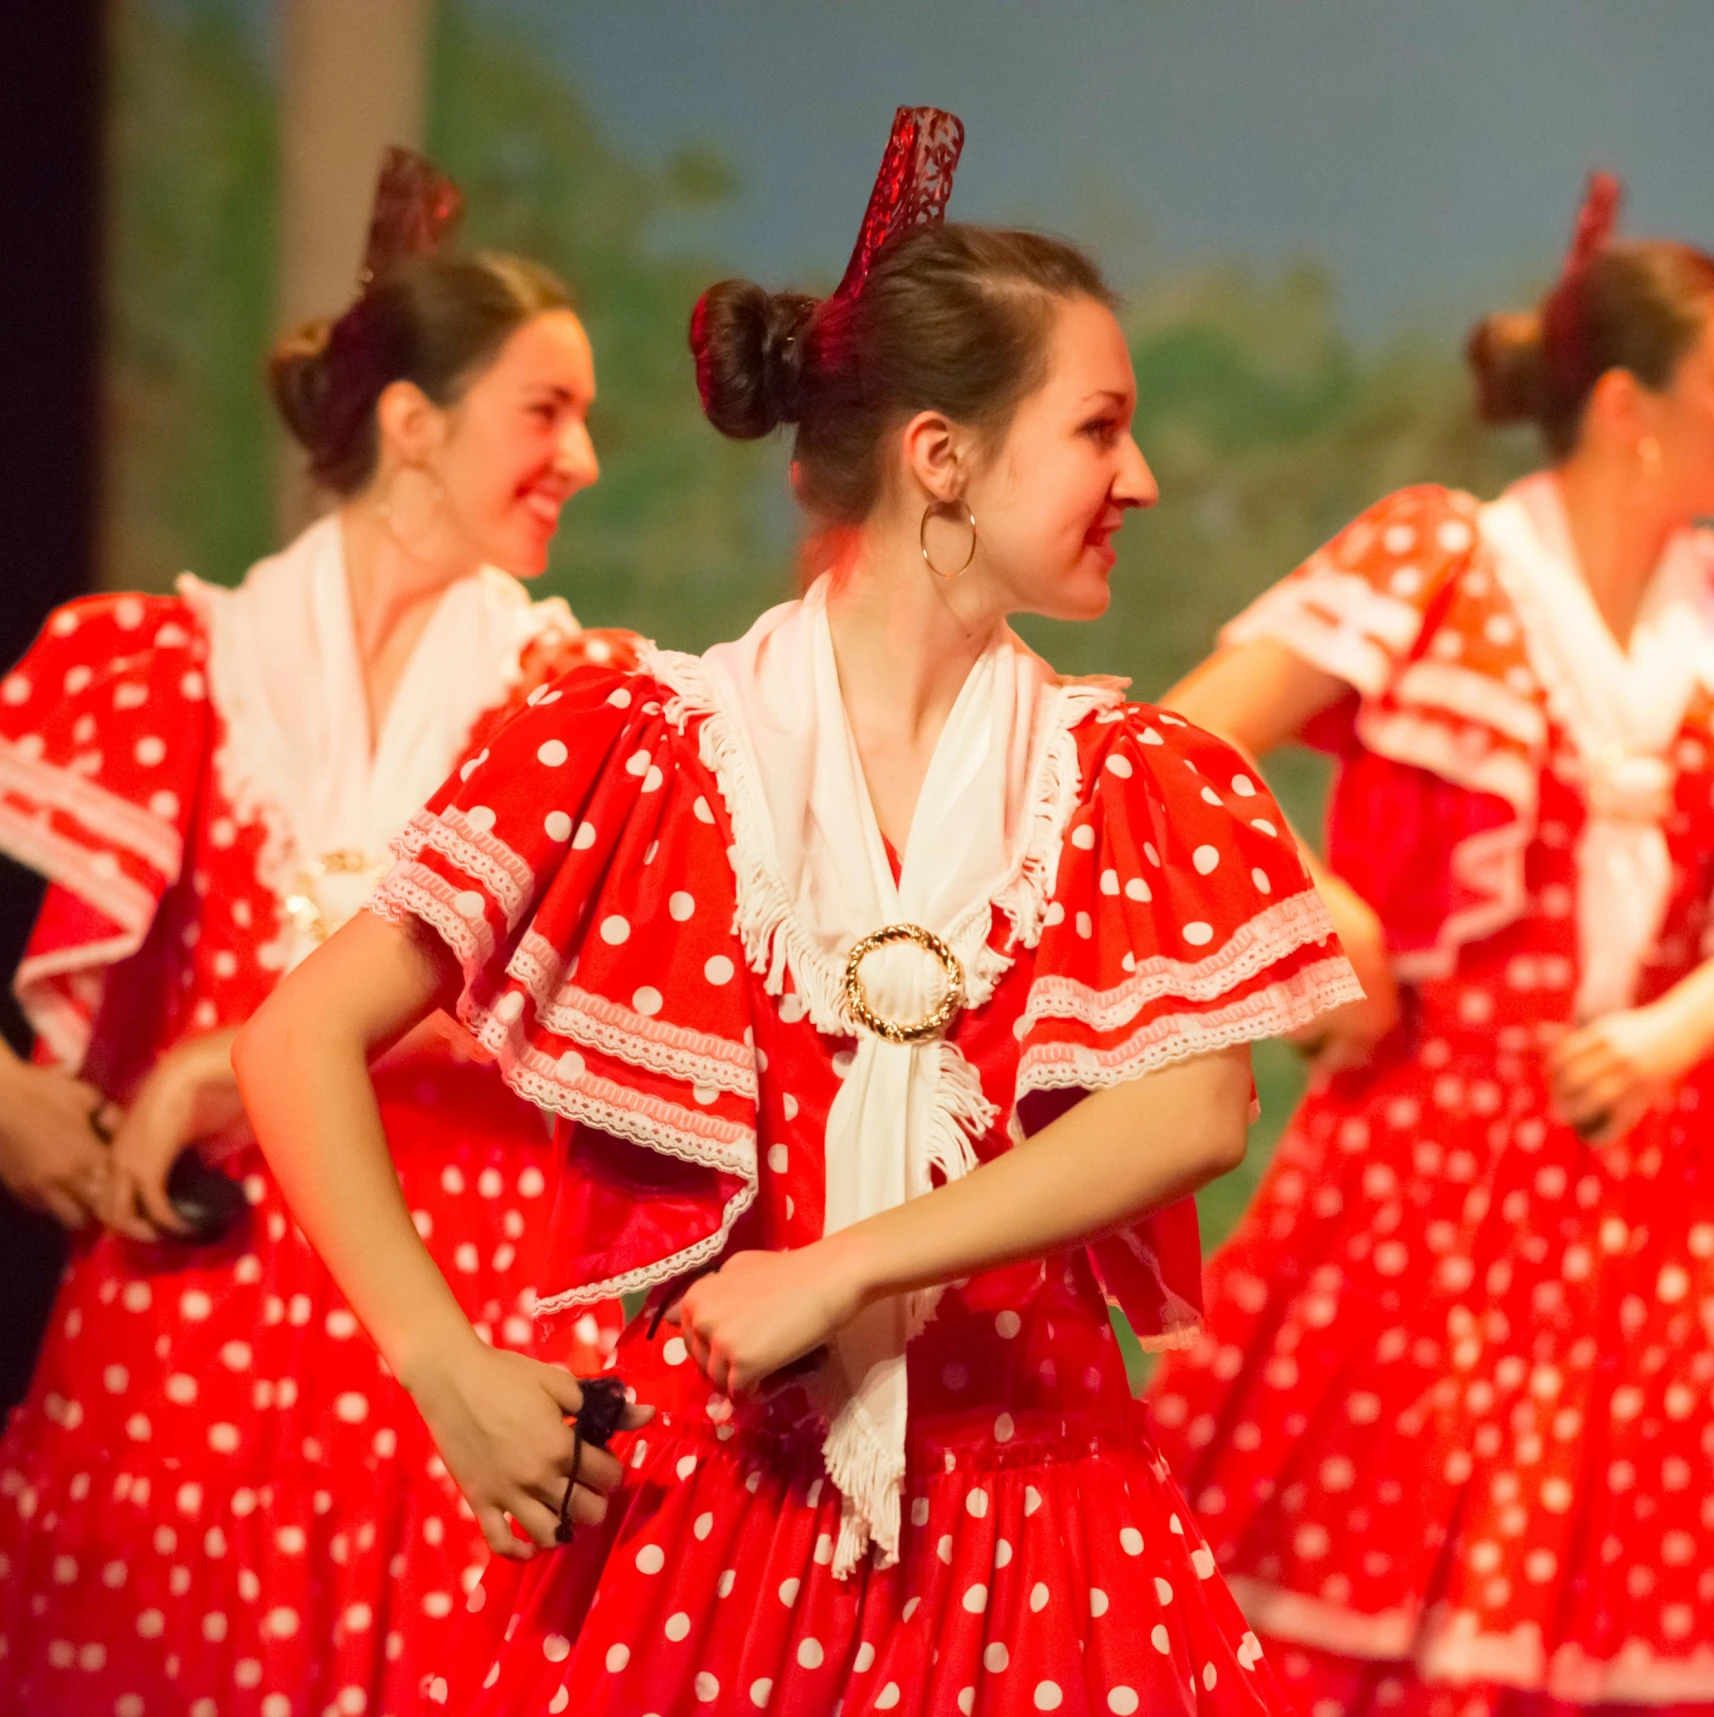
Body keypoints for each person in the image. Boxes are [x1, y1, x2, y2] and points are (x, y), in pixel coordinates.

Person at [234, 108, 1361, 1716]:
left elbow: (1189, 1110)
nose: (1145, 478)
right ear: (942, 458)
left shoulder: (1128, 777)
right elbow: (296, 1038)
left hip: (1039, 1522)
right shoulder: (628, 746)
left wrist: (839, 1267)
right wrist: (442, 1364)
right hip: (705, 1523)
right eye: (1101, 430)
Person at [0, 150, 623, 1716]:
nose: (583, 457)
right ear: (411, 424)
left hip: (448, 1296)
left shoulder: (570, 697)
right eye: (545, 411)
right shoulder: (164, 664)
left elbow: (586, 996)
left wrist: (222, 1056)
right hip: (196, 1304)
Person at [1142, 173, 1714, 1717]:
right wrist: (1315, 918)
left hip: (1659, 1153)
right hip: (1426, 1161)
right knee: (1372, 1560)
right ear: (1629, 405)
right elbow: (1178, 743)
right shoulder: (1442, 557)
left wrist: (1676, 1028)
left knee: (1669, 1568)